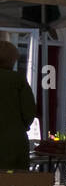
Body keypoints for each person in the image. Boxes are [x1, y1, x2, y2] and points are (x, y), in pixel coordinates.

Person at [0, 41, 37, 172]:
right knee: (15, 185)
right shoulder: (17, 80)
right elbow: (29, 111)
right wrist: (21, 126)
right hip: (13, 142)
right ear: (11, 59)